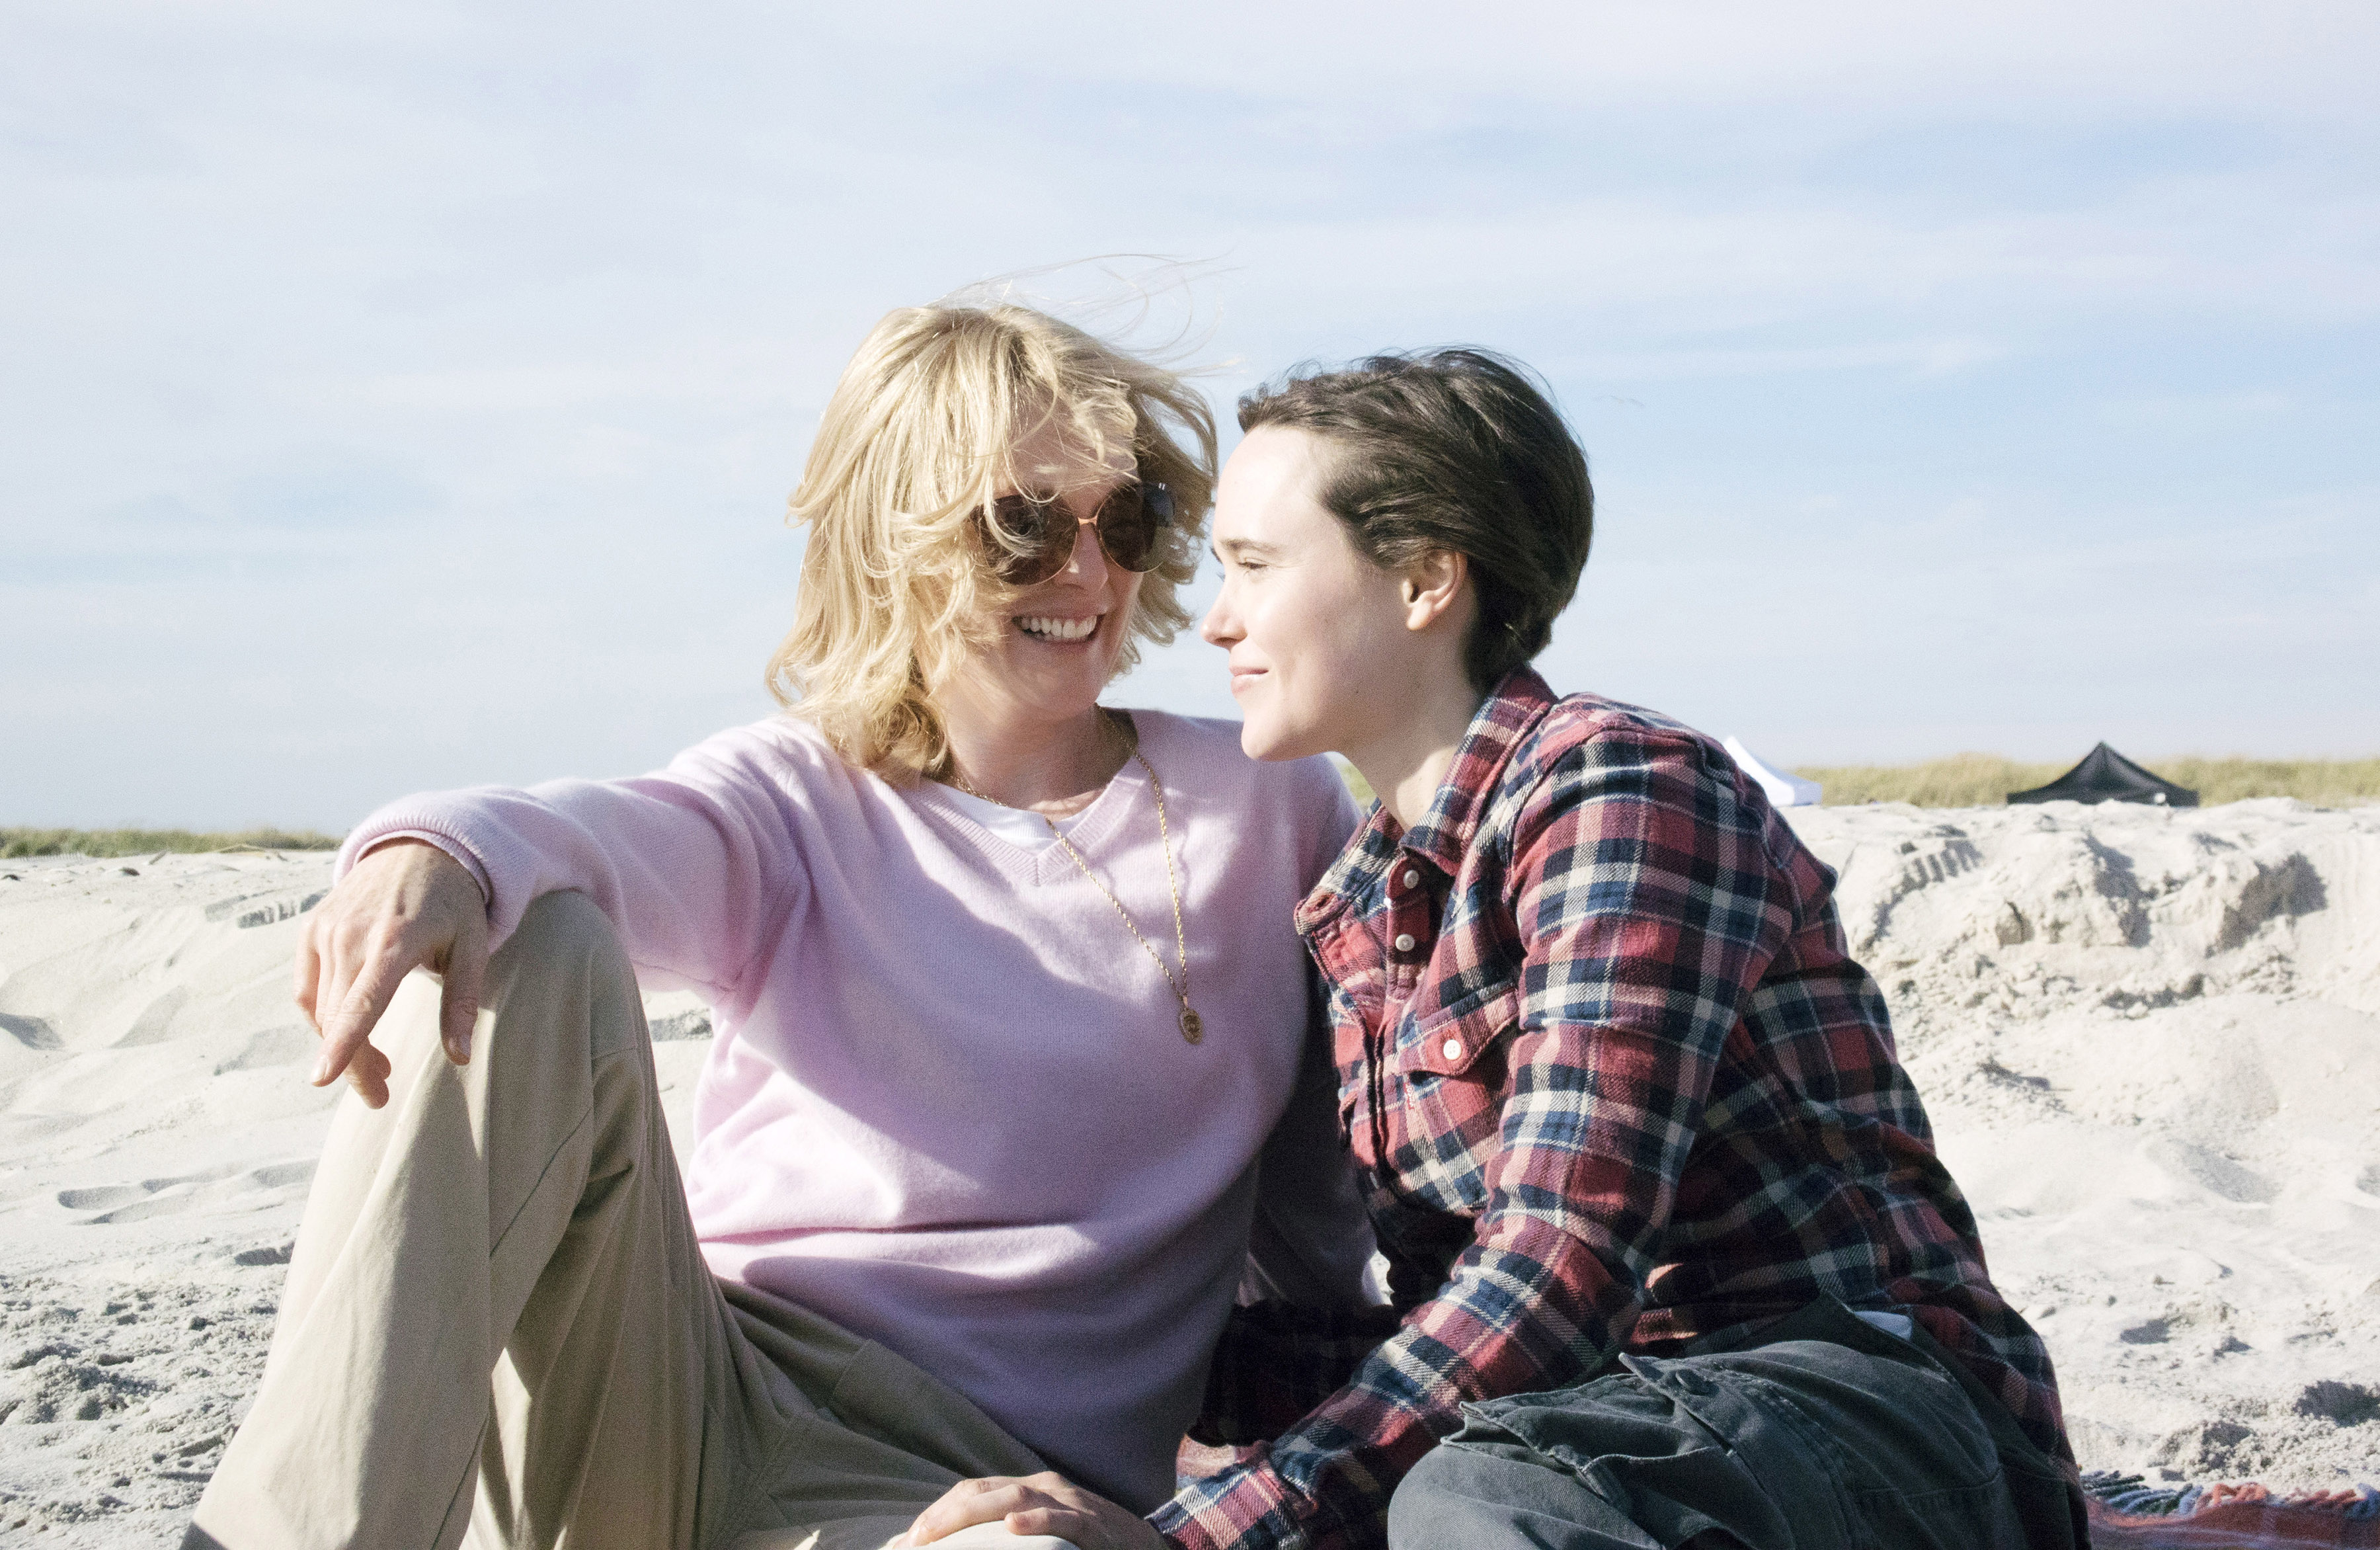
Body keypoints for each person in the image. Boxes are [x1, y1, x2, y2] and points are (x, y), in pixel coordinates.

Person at [184, 303, 1375, 1550]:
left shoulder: (1269, 803)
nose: (1087, 574)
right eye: (1022, 526)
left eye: (1120, 521)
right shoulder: (801, 796)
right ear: (898, 541)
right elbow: (606, 832)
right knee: (518, 934)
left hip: (977, 1492)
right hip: (681, 1394)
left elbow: (1334, 1219)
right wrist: (432, 848)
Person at [903, 350, 2086, 1550]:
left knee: (1479, 1498)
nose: (1216, 621)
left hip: (1871, 1406)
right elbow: (1447, 1314)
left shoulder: (1617, 790)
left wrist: (1186, 1541)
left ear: (1424, 579)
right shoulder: (1365, 892)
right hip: (1600, 1420)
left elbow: (1559, 1263)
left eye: (1254, 567)